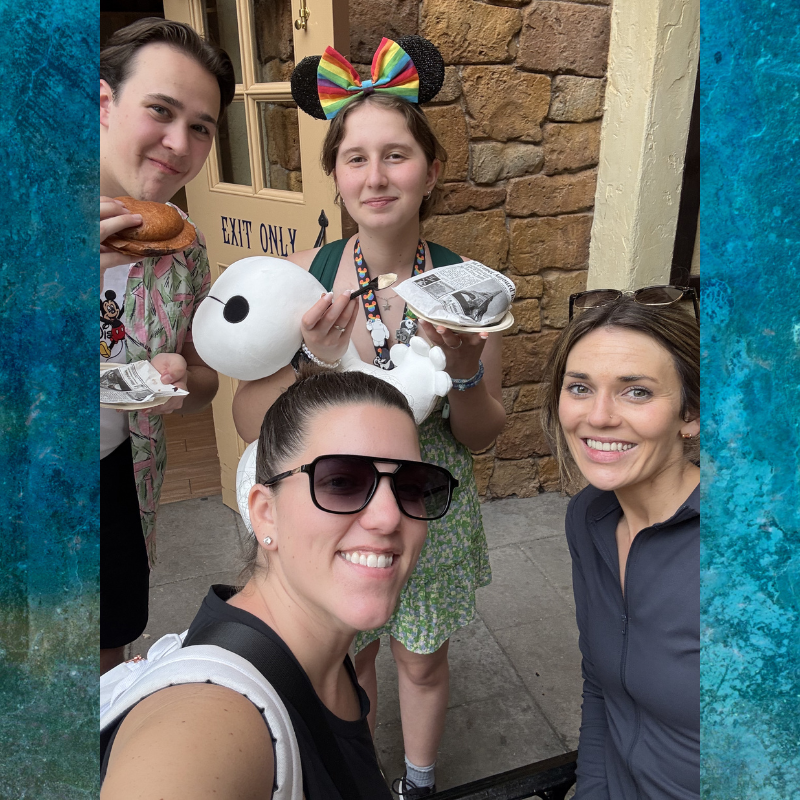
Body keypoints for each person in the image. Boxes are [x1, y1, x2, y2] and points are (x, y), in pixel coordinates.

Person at [232, 36, 506, 797]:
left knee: (420, 656)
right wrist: (310, 364)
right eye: (356, 158)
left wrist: (466, 372)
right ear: (334, 176)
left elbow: (483, 433)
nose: (376, 176)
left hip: (433, 508)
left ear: (432, 171)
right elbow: (251, 424)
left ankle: (417, 784)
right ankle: (356, 776)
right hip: (337, 504)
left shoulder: (473, 290)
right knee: (348, 656)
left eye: (397, 155)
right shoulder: (302, 284)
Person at [101, 370, 459, 799]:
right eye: (341, 481)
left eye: (412, 487)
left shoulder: (321, 657)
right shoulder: (210, 722)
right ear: (265, 514)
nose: (388, 517)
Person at [99, 19, 235, 674]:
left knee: (110, 636)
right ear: (102, 103)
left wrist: (181, 380)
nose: (179, 144)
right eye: (160, 110)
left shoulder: (184, 245)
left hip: (120, 476)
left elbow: (205, 375)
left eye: (202, 126)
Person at [540, 289, 700, 799]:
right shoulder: (589, 518)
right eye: (580, 387)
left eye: (637, 392)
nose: (600, 416)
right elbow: (601, 687)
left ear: (690, 414)